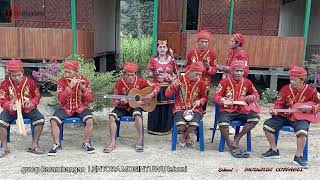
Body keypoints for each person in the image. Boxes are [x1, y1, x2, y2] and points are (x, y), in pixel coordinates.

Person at [261, 65, 320, 169]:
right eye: (291, 79)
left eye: (295, 80)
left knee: (302, 131)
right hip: (284, 116)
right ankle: (274, 150)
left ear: (302, 80)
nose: (292, 82)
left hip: (301, 118)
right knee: (267, 125)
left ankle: (298, 157)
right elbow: (279, 104)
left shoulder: (311, 91)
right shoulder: (285, 89)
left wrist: (311, 108)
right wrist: (275, 110)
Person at [104, 62, 160, 153]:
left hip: (136, 106)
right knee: (111, 116)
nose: (130, 77)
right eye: (128, 75)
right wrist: (120, 102)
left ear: (136, 74)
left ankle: (140, 140)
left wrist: (151, 94)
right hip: (123, 107)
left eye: (132, 75)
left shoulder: (142, 81)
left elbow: (157, 86)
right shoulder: (119, 83)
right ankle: (112, 142)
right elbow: (114, 99)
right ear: (124, 74)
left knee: (138, 115)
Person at [212, 60, 260, 158]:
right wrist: (223, 100)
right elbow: (215, 97)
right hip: (227, 110)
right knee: (223, 123)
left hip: (242, 110)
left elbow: (256, 94)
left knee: (255, 118)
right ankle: (230, 144)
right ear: (231, 71)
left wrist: (252, 97)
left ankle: (237, 139)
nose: (239, 73)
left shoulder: (247, 82)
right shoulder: (224, 81)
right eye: (236, 71)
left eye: (241, 71)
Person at [48, 60, 95, 156]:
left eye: (69, 72)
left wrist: (84, 89)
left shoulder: (84, 80)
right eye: (65, 71)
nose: (66, 74)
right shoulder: (61, 81)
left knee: (90, 120)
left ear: (75, 72)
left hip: (81, 107)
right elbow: (60, 99)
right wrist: (69, 86)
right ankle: (57, 144)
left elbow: (90, 99)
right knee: (53, 120)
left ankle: (86, 143)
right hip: (66, 107)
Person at [0, 59, 45, 157]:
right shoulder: (4, 84)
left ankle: (34, 145)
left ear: (22, 72)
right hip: (11, 110)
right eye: (13, 75)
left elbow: (37, 96)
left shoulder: (30, 82)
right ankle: (4, 147)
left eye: (19, 75)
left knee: (40, 119)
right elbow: (2, 100)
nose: (17, 78)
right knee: (1, 122)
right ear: (9, 74)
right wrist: (10, 106)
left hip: (27, 108)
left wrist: (32, 103)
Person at [165, 61, 207, 148]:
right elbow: (167, 94)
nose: (198, 76)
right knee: (180, 125)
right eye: (197, 74)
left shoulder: (201, 82)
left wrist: (200, 101)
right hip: (180, 108)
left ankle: (183, 136)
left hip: (195, 109)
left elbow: (204, 97)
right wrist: (172, 85)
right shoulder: (180, 79)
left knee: (194, 124)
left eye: (200, 74)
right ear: (191, 71)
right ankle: (187, 135)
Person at [146, 40, 178, 135]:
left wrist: (171, 77)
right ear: (157, 49)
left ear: (167, 49)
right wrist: (154, 74)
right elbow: (149, 75)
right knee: (155, 108)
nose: (162, 49)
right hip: (157, 87)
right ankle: (154, 129)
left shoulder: (171, 60)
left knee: (167, 108)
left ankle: (167, 128)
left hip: (168, 88)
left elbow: (177, 74)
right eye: (160, 47)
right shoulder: (153, 60)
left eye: (164, 47)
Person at [184, 30, 218, 112]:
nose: (204, 44)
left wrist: (208, 68)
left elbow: (214, 71)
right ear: (197, 42)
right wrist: (193, 68)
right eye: (202, 42)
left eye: (206, 42)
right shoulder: (191, 53)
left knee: (202, 106)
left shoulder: (212, 54)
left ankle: (199, 119)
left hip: (205, 84)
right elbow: (186, 68)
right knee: (189, 104)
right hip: (192, 83)